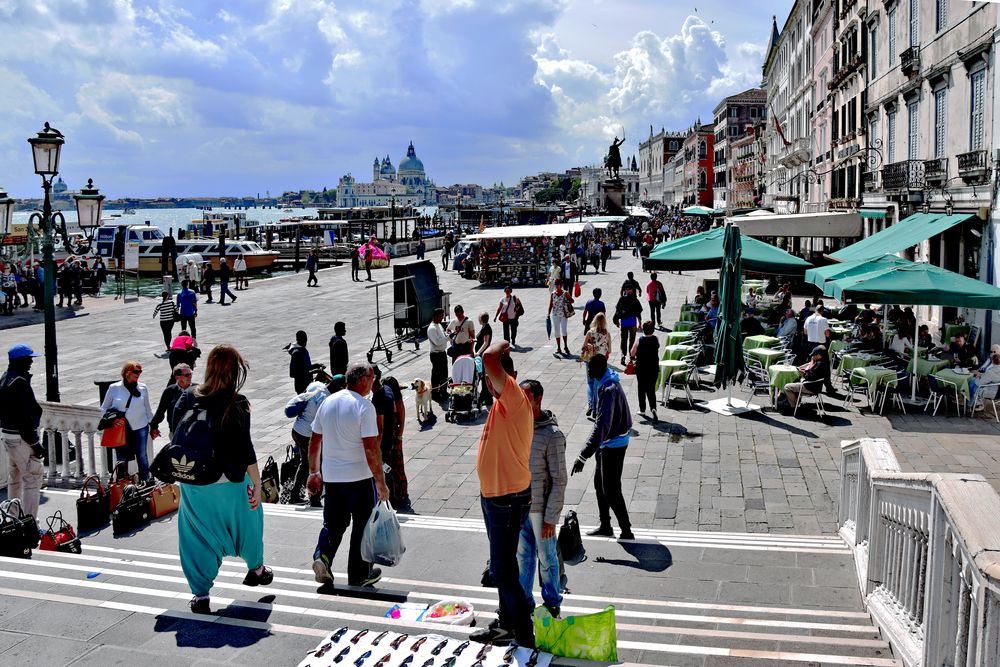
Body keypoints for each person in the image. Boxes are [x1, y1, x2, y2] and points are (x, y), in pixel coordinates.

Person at [174, 344, 272, 614]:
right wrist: (256, 484)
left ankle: (200, 595)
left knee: (196, 535)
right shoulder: (237, 402)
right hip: (230, 480)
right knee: (249, 522)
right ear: (234, 372)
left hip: (194, 482)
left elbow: (176, 437)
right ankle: (257, 569)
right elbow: (246, 448)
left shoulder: (187, 398)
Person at [469, 340, 534, 647]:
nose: (488, 385)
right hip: (497, 496)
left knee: (503, 571)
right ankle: (506, 624)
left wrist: (499, 344)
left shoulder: (514, 396)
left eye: (491, 380)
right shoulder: (502, 402)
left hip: (506, 499)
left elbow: (490, 358)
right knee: (504, 565)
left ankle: (523, 634)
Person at [308, 362, 389, 588]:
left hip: (333, 478)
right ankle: (359, 574)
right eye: (371, 379)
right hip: (359, 478)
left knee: (333, 524)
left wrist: (314, 472)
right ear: (363, 380)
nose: (373, 384)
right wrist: (381, 482)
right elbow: (371, 448)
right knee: (361, 525)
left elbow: (315, 441)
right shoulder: (364, 407)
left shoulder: (328, 402)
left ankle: (322, 557)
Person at [516, 379, 567, 618]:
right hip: (519, 506)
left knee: (547, 559)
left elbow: (559, 480)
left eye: (526, 398)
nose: (520, 403)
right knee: (523, 559)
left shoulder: (552, 435)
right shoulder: (517, 427)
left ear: (538, 400)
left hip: (540, 511)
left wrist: (551, 518)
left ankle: (552, 603)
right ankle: (524, 604)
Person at [571, 354, 634, 540]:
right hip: (607, 442)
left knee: (611, 489)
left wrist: (583, 455)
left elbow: (602, 425)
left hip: (614, 443)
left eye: (590, 369)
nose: (588, 372)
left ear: (599, 369)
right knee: (599, 484)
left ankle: (626, 529)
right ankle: (605, 524)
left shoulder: (608, 389)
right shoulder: (606, 380)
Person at [0, 344, 44, 518]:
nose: (31, 362)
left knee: (15, 478)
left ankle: (13, 517)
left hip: (8, 435)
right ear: (20, 361)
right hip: (21, 438)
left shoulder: (5, 378)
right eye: (29, 359)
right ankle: (29, 522)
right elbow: (24, 418)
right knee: (32, 478)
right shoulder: (19, 382)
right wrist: (35, 443)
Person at [100, 360, 155, 483]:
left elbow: (148, 409)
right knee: (121, 457)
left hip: (141, 427)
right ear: (127, 373)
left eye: (140, 371)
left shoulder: (143, 388)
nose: (139, 374)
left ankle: (144, 481)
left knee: (142, 456)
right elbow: (103, 408)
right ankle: (122, 482)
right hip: (121, 429)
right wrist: (113, 421)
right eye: (136, 371)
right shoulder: (114, 388)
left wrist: (154, 426)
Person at [285, 380, 330, 507]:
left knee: (305, 463)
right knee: (318, 464)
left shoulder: (317, 385)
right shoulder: (325, 400)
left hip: (297, 430)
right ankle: (315, 499)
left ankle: (294, 496)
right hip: (306, 435)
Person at [381, 376, 410, 511]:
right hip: (390, 437)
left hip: (395, 437)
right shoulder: (389, 400)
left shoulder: (398, 402)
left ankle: (401, 493)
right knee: (392, 465)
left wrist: (399, 436)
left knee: (397, 465)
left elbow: (402, 420)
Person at [149, 363, 193, 441]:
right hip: (176, 431)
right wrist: (154, 426)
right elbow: (160, 411)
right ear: (177, 377)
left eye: (190, 374)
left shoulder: (197, 389)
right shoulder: (170, 391)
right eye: (186, 375)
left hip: (194, 431)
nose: (190, 376)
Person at [581, 313, 613, 415]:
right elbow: (610, 350)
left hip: (591, 360)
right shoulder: (607, 334)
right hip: (602, 362)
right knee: (598, 384)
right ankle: (596, 409)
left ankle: (591, 405)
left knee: (590, 384)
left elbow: (583, 347)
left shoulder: (590, 333)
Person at [630, 320, 660, 421]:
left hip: (641, 368)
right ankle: (653, 408)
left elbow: (632, 353)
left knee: (641, 388)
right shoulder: (656, 339)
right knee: (651, 389)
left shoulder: (640, 339)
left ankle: (642, 409)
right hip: (654, 367)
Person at [613, 286, 643, 365]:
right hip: (632, 322)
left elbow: (617, 310)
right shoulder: (635, 299)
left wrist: (616, 320)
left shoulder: (622, 299)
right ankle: (631, 355)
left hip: (624, 323)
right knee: (632, 339)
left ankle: (623, 355)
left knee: (624, 339)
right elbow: (638, 311)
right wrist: (640, 322)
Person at [547, 279, 574, 356]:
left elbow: (572, 301)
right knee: (556, 331)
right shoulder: (553, 294)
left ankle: (565, 346)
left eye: (557, 284)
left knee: (564, 330)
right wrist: (548, 314)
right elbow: (550, 304)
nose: (556, 286)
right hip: (555, 314)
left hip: (563, 315)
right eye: (555, 284)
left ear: (560, 285)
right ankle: (558, 347)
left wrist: (567, 301)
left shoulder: (565, 293)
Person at [427, 307, 449, 402]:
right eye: (440, 316)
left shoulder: (439, 325)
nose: (441, 318)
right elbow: (437, 342)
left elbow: (443, 337)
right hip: (436, 355)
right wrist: (448, 338)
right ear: (435, 316)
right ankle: (435, 393)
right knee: (436, 375)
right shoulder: (431, 328)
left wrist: (447, 335)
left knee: (444, 373)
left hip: (442, 353)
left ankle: (443, 391)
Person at [969, 346, 1000, 410]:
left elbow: (979, 382)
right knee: (973, 381)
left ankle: (973, 403)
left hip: (991, 391)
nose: (992, 353)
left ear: (993, 361)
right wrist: (981, 374)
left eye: (994, 352)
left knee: (973, 383)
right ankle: (971, 402)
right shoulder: (996, 368)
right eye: (991, 352)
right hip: (997, 391)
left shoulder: (992, 371)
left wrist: (979, 376)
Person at [287, 330, 315, 394]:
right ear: (297, 339)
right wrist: (308, 372)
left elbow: (306, 366)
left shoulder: (304, 350)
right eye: (303, 339)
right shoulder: (296, 353)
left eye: (305, 339)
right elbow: (292, 373)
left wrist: (315, 366)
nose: (305, 342)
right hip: (301, 386)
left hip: (308, 384)